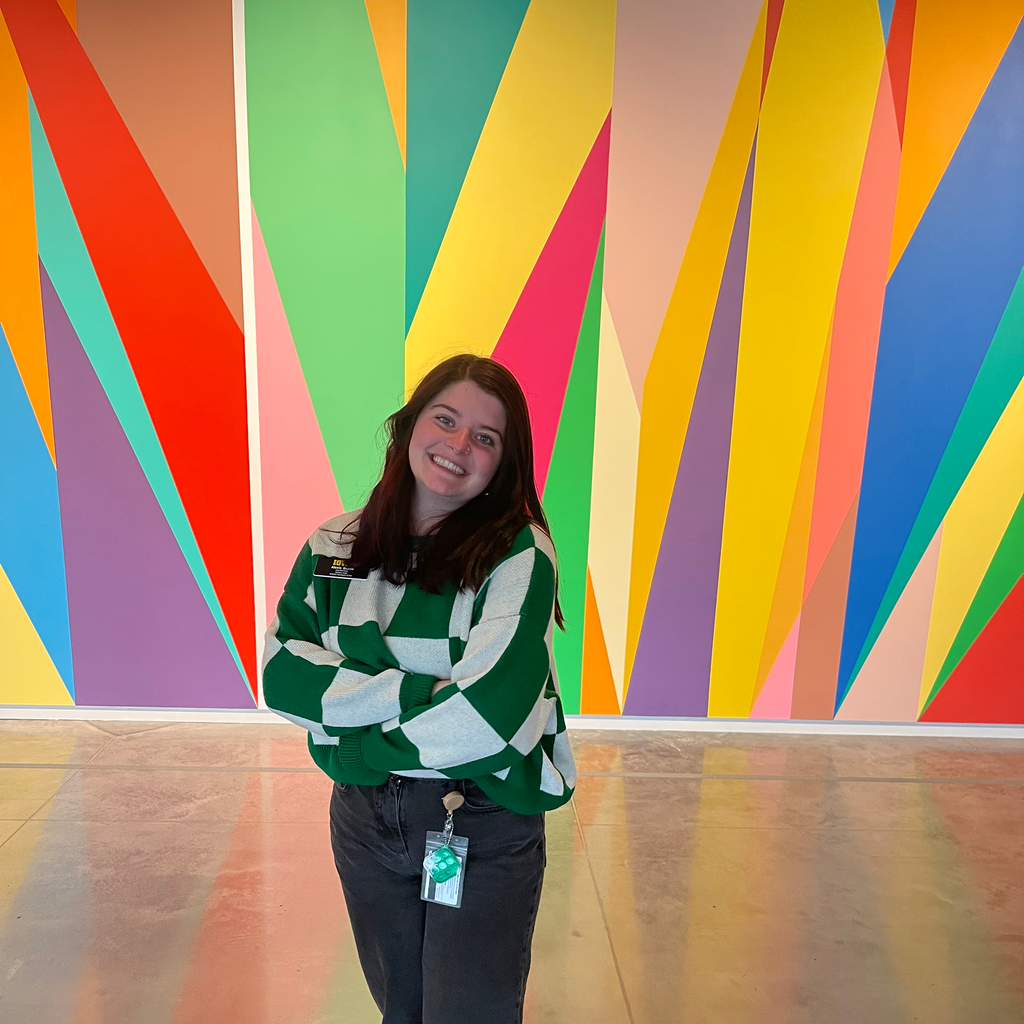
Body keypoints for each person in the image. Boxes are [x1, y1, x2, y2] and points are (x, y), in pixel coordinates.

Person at [263, 353, 576, 1024]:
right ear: (409, 426)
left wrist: (359, 747)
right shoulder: (335, 546)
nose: (459, 445)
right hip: (364, 820)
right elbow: (284, 676)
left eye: (486, 438)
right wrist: (412, 692)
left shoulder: (518, 554)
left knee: (465, 1014)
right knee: (399, 1011)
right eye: (446, 419)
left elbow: (491, 719)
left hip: (480, 815)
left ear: (504, 462)